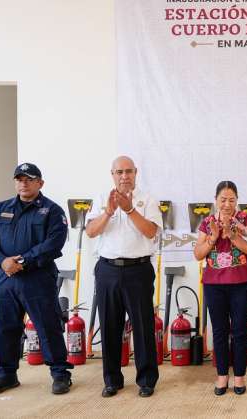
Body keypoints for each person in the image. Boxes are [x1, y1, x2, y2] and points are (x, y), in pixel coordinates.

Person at [0, 163, 73, 395]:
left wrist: (21, 262)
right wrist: (2, 262)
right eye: (19, 179)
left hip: (37, 278)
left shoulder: (52, 211)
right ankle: (6, 375)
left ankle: (60, 374)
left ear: (40, 183)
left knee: (47, 326)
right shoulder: (0, 209)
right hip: (5, 279)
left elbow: (53, 244)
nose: (23, 183)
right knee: (5, 327)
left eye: (29, 179)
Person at [85, 156, 162, 398]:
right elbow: (90, 231)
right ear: (112, 174)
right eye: (119, 172)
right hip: (107, 269)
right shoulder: (101, 199)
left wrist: (129, 209)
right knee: (109, 326)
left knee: (142, 326)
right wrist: (109, 211)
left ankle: (147, 379)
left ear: (136, 172)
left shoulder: (147, 199)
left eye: (128, 171)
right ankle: (112, 380)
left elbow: (151, 232)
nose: (124, 176)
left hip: (138, 270)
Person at [193, 181, 247, 396]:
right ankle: (221, 377)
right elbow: (198, 254)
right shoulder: (207, 222)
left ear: (237, 200)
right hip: (214, 285)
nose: (227, 204)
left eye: (231, 199)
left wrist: (232, 234)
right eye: (223, 199)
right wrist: (213, 237)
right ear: (216, 200)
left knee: (239, 331)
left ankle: (239, 376)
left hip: (242, 284)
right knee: (219, 332)